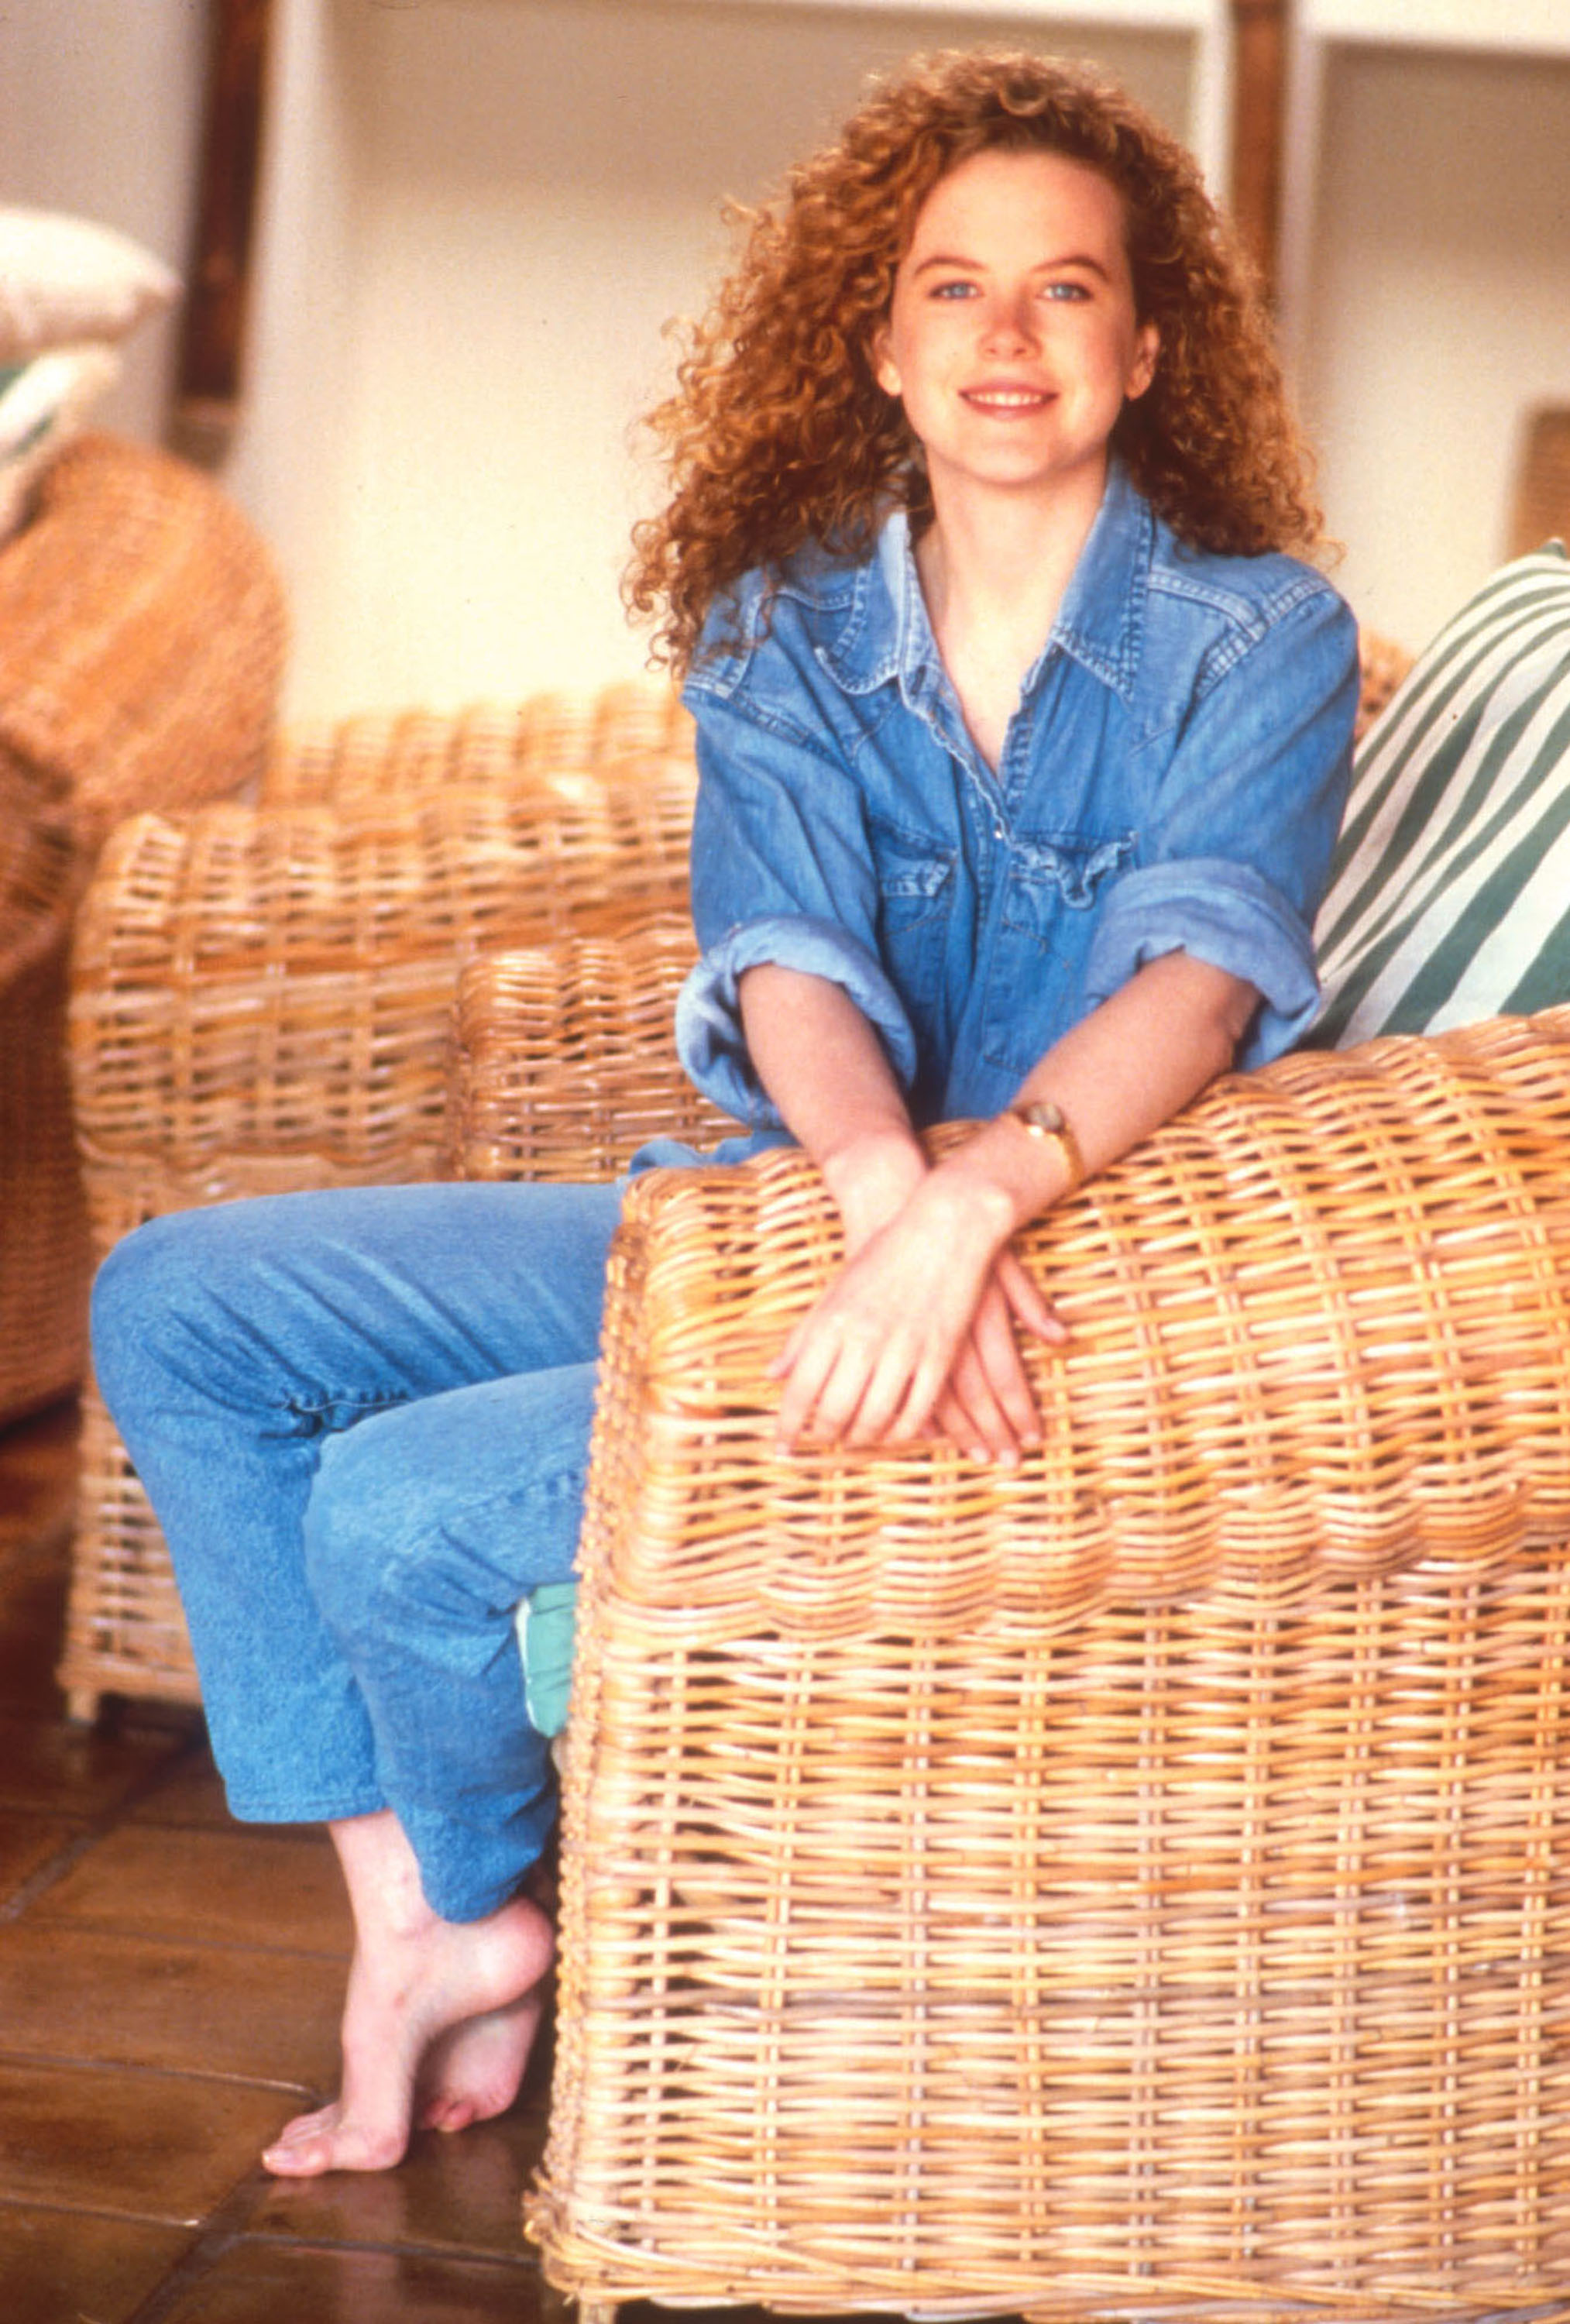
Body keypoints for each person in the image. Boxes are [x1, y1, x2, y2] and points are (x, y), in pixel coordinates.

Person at [89, 46, 1359, 2181]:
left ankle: (475, 1911)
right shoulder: (785, 627)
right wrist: (878, 1196)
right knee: (172, 1305)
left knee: (394, 1514)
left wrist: (965, 1216)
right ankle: (430, 1925)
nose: (1008, 334)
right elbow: (788, 962)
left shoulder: (1264, 637)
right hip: (791, 1229)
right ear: (879, 345)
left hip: (1059, 1303)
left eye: (1066, 288)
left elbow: (1202, 975)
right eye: (952, 287)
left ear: (1148, 349)